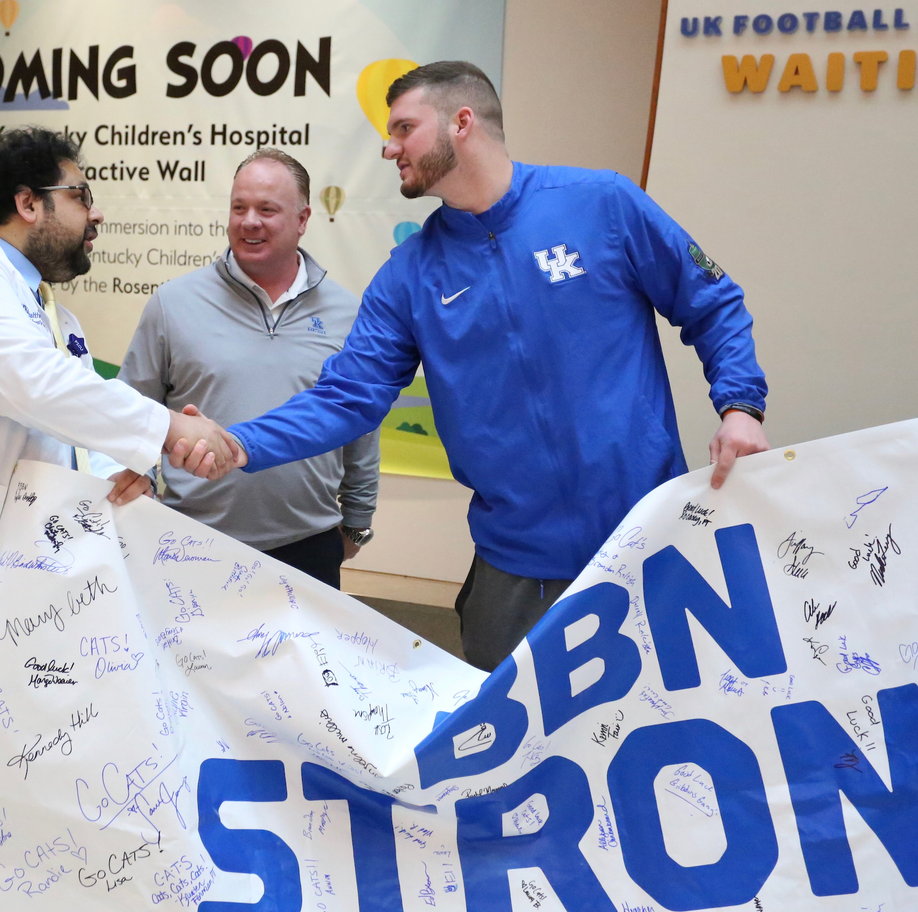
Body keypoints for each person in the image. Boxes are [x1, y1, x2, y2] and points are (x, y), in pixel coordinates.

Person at [217, 61, 770, 672]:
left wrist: (740, 406)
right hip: (514, 573)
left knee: (670, 737)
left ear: (462, 122)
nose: (387, 146)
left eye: (403, 128)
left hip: (649, 542)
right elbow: (345, 399)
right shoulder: (410, 275)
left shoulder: (602, 205)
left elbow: (712, 299)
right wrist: (236, 444)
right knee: (517, 760)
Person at [0, 127, 237, 824]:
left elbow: (67, 424)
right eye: (81, 195)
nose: (97, 215)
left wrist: (126, 469)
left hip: (21, 571)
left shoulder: (57, 315)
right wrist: (169, 431)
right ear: (28, 202)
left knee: (15, 771)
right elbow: (31, 387)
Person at [118, 149, 380, 590]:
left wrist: (356, 519)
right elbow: (131, 409)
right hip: (191, 542)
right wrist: (138, 485)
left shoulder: (347, 312)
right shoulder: (172, 304)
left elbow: (360, 422)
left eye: (267, 209)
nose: (249, 221)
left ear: (303, 219)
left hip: (309, 547)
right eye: (238, 207)